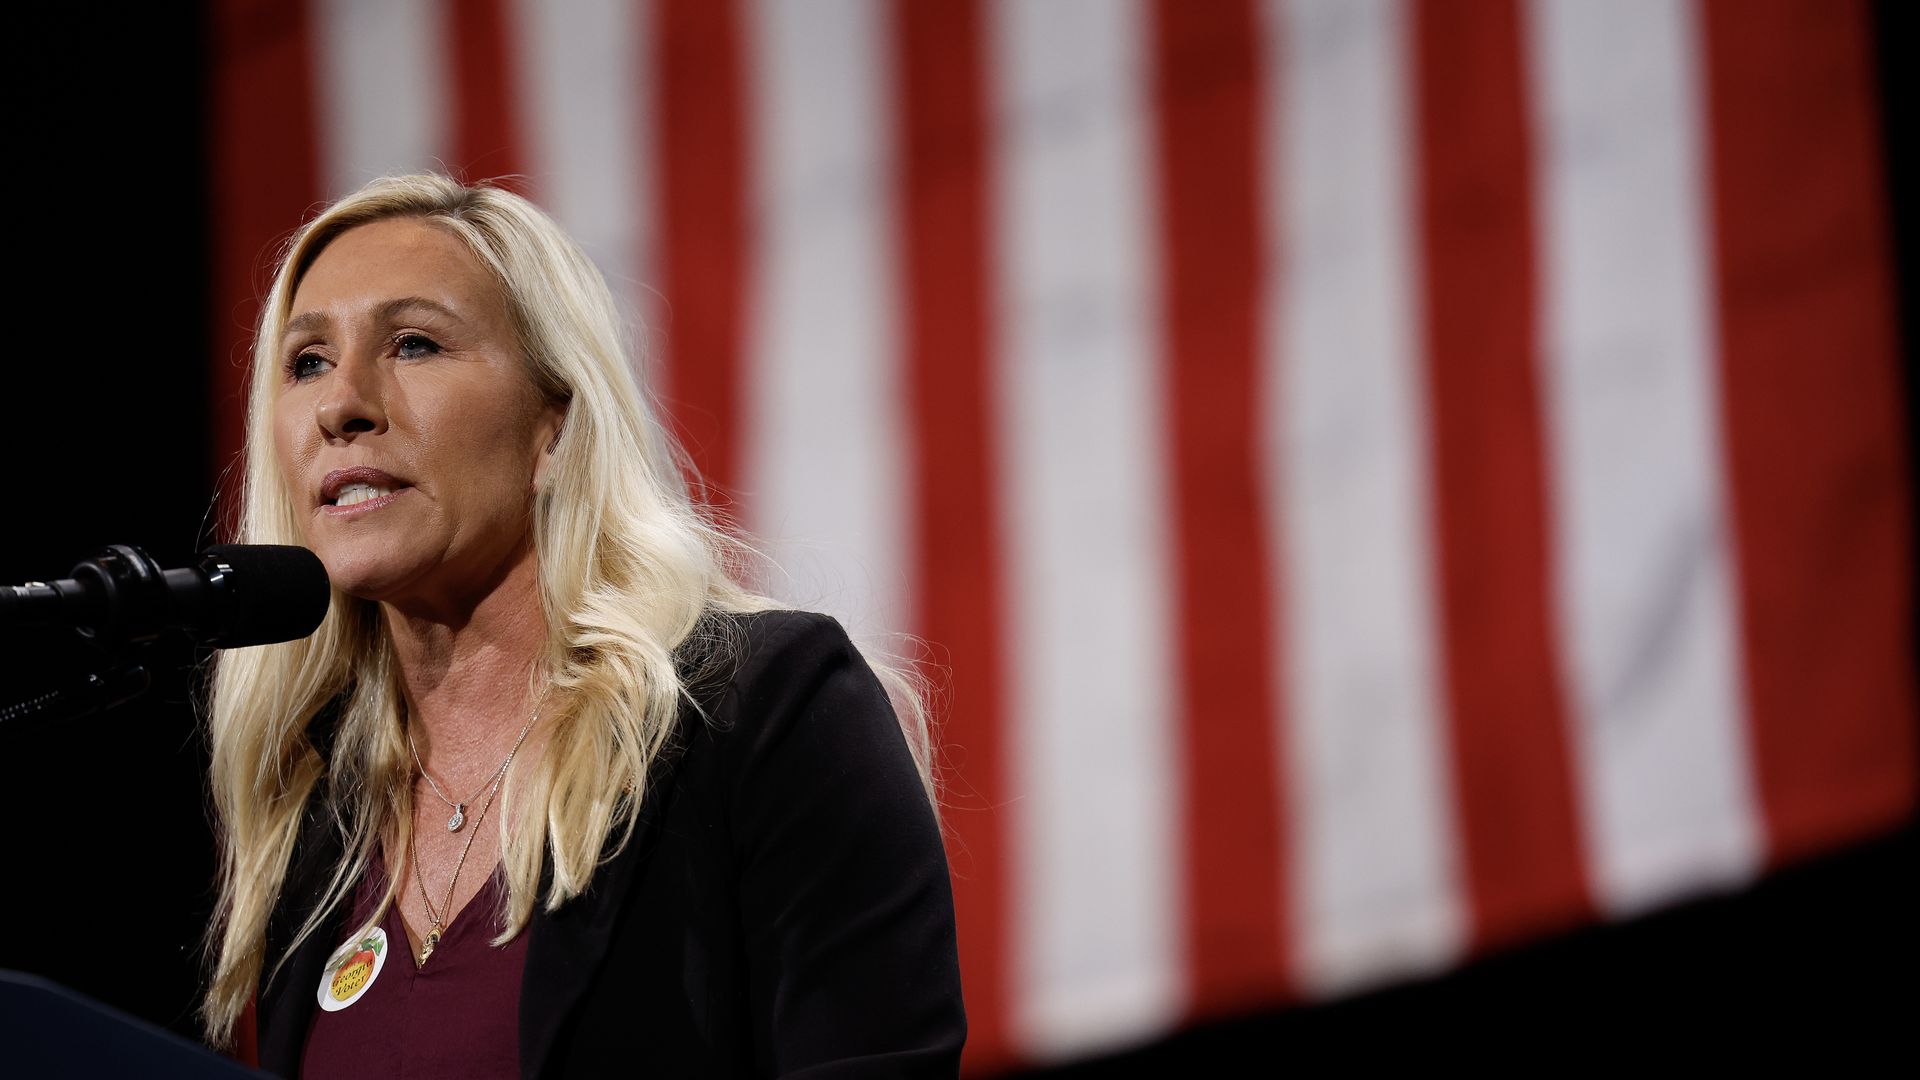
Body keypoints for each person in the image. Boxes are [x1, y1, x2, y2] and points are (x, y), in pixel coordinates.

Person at [200, 174, 965, 1077]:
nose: (342, 406)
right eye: (307, 363)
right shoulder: (314, 831)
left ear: (554, 426)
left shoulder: (761, 715)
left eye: (412, 344)